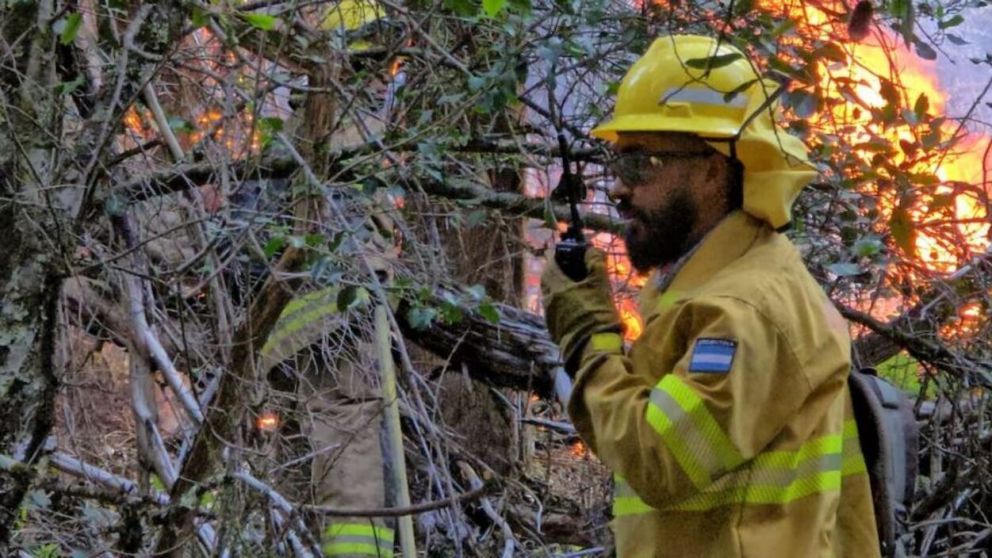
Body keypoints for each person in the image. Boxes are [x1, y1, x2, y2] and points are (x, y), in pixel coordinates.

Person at [541, 35, 881, 557]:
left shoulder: (746, 311)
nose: (618, 189)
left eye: (640, 165)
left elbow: (661, 462)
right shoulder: (705, 289)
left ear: (709, 171)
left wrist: (589, 338)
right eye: (617, 166)